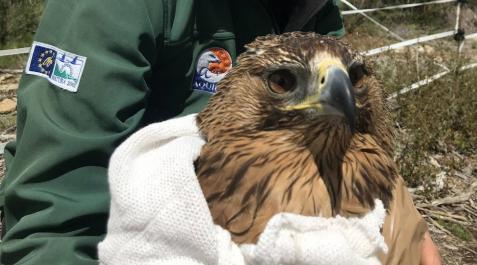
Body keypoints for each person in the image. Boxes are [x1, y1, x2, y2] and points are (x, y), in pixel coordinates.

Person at [0, 0, 440, 264]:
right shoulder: (111, 8)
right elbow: (53, 222)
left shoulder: (316, 9)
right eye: (285, 83)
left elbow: (356, 143)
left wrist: (402, 225)